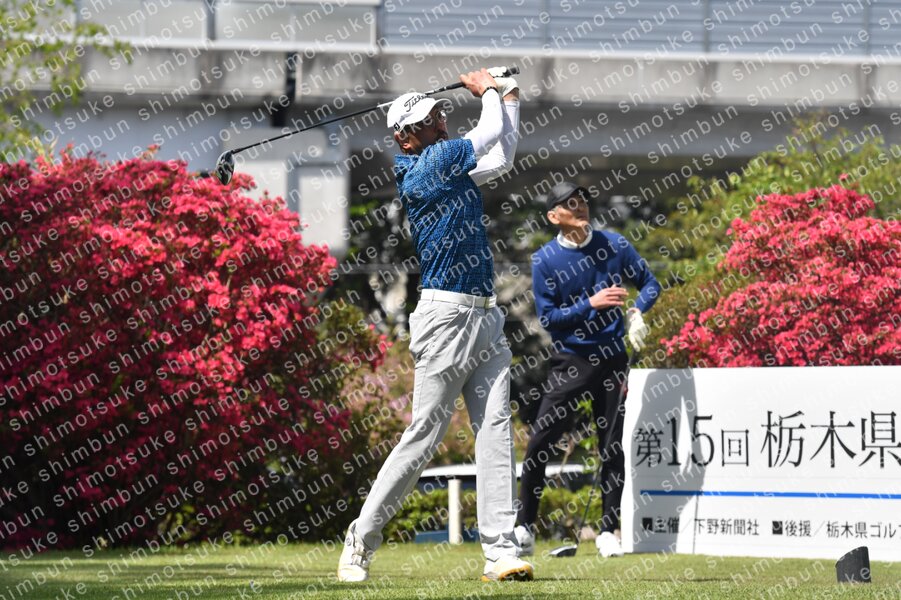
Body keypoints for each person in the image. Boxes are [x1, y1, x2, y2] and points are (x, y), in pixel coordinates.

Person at [337, 68, 534, 583]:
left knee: (496, 431)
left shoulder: (450, 168)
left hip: (485, 314)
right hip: (446, 318)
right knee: (424, 435)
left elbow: (502, 156)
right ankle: (361, 538)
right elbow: (487, 132)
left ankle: (500, 551)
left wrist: (510, 96)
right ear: (405, 137)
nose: (441, 125)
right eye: (429, 122)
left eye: (440, 118)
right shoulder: (426, 166)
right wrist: (487, 90)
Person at [514, 182, 661, 558]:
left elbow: (649, 284)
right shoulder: (545, 260)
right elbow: (550, 319)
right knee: (540, 442)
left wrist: (638, 311)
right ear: (554, 216)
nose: (580, 207)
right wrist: (591, 304)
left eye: (582, 202)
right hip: (570, 360)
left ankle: (608, 531)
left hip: (612, 358)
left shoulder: (615, 245)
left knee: (611, 446)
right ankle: (524, 527)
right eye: (569, 204)